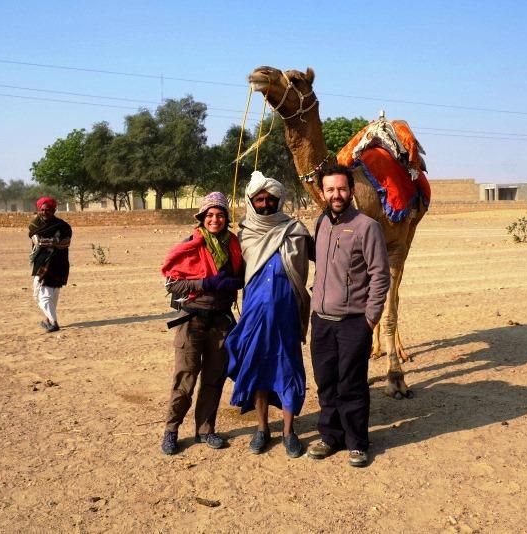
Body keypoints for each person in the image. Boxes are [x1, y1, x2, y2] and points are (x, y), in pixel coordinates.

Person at [307, 164, 390, 468]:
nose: (336, 195)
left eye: (342, 189)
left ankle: (357, 442)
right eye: (330, 189)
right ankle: (330, 436)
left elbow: (380, 275)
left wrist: (370, 318)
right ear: (322, 193)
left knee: (351, 384)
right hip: (322, 321)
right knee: (326, 382)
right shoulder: (321, 223)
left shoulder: (367, 226)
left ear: (351, 191)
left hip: (354, 321)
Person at [225, 171, 312, 458]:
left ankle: (289, 432)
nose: (265, 203)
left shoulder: (296, 231)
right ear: (252, 201)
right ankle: (262, 429)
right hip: (255, 317)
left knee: (288, 371)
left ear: (279, 200)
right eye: (259, 199)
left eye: (270, 198)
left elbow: (324, 256)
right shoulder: (244, 235)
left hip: (287, 315)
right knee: (259, 370)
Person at [159, 192, 244, 455]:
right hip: (192, 320)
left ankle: (205, 429)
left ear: (226, 218)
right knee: (185, 378)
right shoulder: (190, 245)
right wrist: (204, 283)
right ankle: (171, 430)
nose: (215, 219)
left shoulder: (234, 245)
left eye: (220, 215)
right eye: (210, 215)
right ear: (202, 218)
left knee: (213, 378)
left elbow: (241, 276)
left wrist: (234, 281)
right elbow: (172, 283)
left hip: (220, 321)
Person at [28, 197, 72, 333]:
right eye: (42, 210)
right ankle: (48, 319)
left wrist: (51, 242)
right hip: (41, 262)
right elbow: (37, 241)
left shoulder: (63, 226)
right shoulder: (35, 225)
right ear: (38, 210)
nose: (45, 212)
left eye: (48, 210)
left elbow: (66, 243)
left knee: (48, 295)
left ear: (54, 210)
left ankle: (53, 323)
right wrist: (55, 241)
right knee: (43, 294)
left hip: (58, 263)